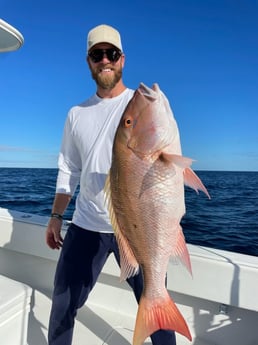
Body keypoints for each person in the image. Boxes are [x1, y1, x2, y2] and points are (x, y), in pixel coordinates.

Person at [46, 24, 176, 345]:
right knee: (62, 307)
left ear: (122, 59)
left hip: (135, 228)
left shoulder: (143, 103)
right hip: (87, 224)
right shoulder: (76, 114)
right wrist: (56, 215)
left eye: (111, 53)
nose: (105, 60)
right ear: (88, 61)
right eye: (97, 54)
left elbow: (167, 160)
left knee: (157, 308)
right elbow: (69, 169)